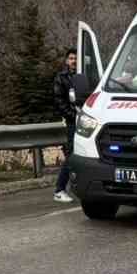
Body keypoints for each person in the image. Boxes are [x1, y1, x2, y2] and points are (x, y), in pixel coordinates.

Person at [51, 48, 89, 202]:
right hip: (74, 121)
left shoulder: (87, 76)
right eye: (71, 58)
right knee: (72, 154)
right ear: (67, 60)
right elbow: (59, 101)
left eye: (76, 58)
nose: (74, 61)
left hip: (88, 120)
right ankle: (59, 190)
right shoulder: (61, 78)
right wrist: (73, 116)